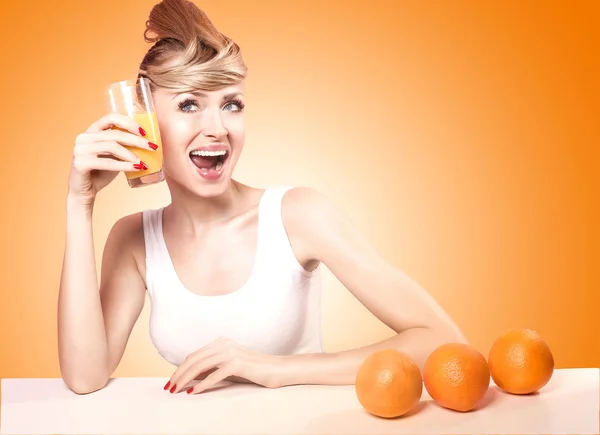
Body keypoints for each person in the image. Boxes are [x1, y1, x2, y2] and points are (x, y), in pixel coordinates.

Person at [57, 0, 468, 396]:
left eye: (231, 104)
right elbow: (85, 376)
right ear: (143, 119)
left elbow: (441, 340)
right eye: (189, 105)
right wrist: (80, 205)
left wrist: (271, 369)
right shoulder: (133, 240)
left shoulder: (297, 215)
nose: (217, 128)